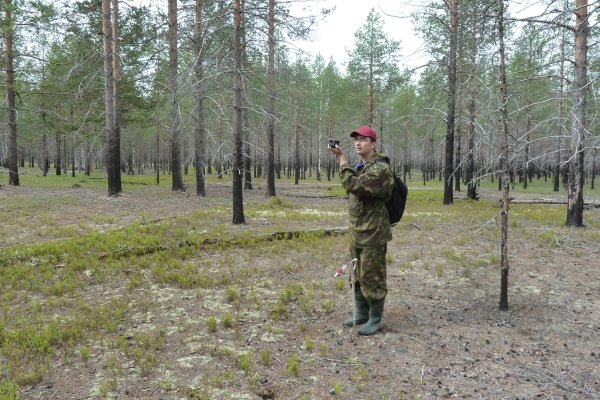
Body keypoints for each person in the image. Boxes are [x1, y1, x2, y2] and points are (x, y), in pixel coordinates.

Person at [329, 125, 394, 336]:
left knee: (372, 275)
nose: (358, 142)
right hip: (358, 232)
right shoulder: (363, 166)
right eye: (356, 139)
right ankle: (362, 313)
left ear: (373, 144)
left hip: (373, 233)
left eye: (363, 139)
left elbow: (354, 186)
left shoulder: (380, 169)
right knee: (357, 274)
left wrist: (341, 159)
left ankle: (376, 319)